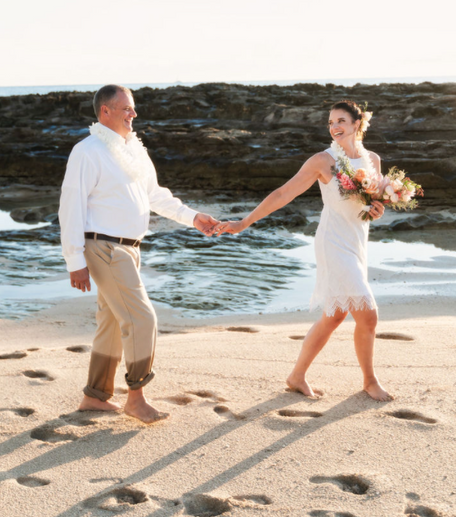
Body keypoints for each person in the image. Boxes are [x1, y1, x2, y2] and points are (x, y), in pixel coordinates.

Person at [59, 84, 223, 422]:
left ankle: (95, 396)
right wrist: (74, 261)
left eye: (132, 108)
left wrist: (193, 217)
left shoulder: (134, 149)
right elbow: (70, 207)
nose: (133, 113)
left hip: (129, 249)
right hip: (103, 246)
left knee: (111, 323)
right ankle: (136, 397)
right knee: (141, 318)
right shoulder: (87, 151)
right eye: (125, 108)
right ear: (105, 111)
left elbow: (156, 195)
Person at [217, 100, 391, 401]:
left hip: (358, 241)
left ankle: (296, 376)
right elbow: (283, 192)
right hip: (333, 243)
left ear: (356, 124)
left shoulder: (372, 159)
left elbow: (372, 203)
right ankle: (370, 381)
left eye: (340, 121)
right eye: (330, 123)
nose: (334, 127)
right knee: (368, 316)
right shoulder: (322, 161)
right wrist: (245, 221)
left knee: (334, 316)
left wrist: (379, 209)